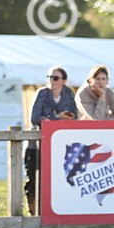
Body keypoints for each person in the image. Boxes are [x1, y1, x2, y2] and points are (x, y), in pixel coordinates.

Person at [25, 67, 78, 215]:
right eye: (49, 77)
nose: (51, 80)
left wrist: (51, 118)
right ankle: (33, 213)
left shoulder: (68, 94)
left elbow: (74, 117)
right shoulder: (42, 93)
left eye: (55, 78)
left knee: (58, 179)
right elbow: (35, 118)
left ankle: (56, 211)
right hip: (37, 144)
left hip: (59, 146)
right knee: (34, 179)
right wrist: (59, 117)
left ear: (63, 81)